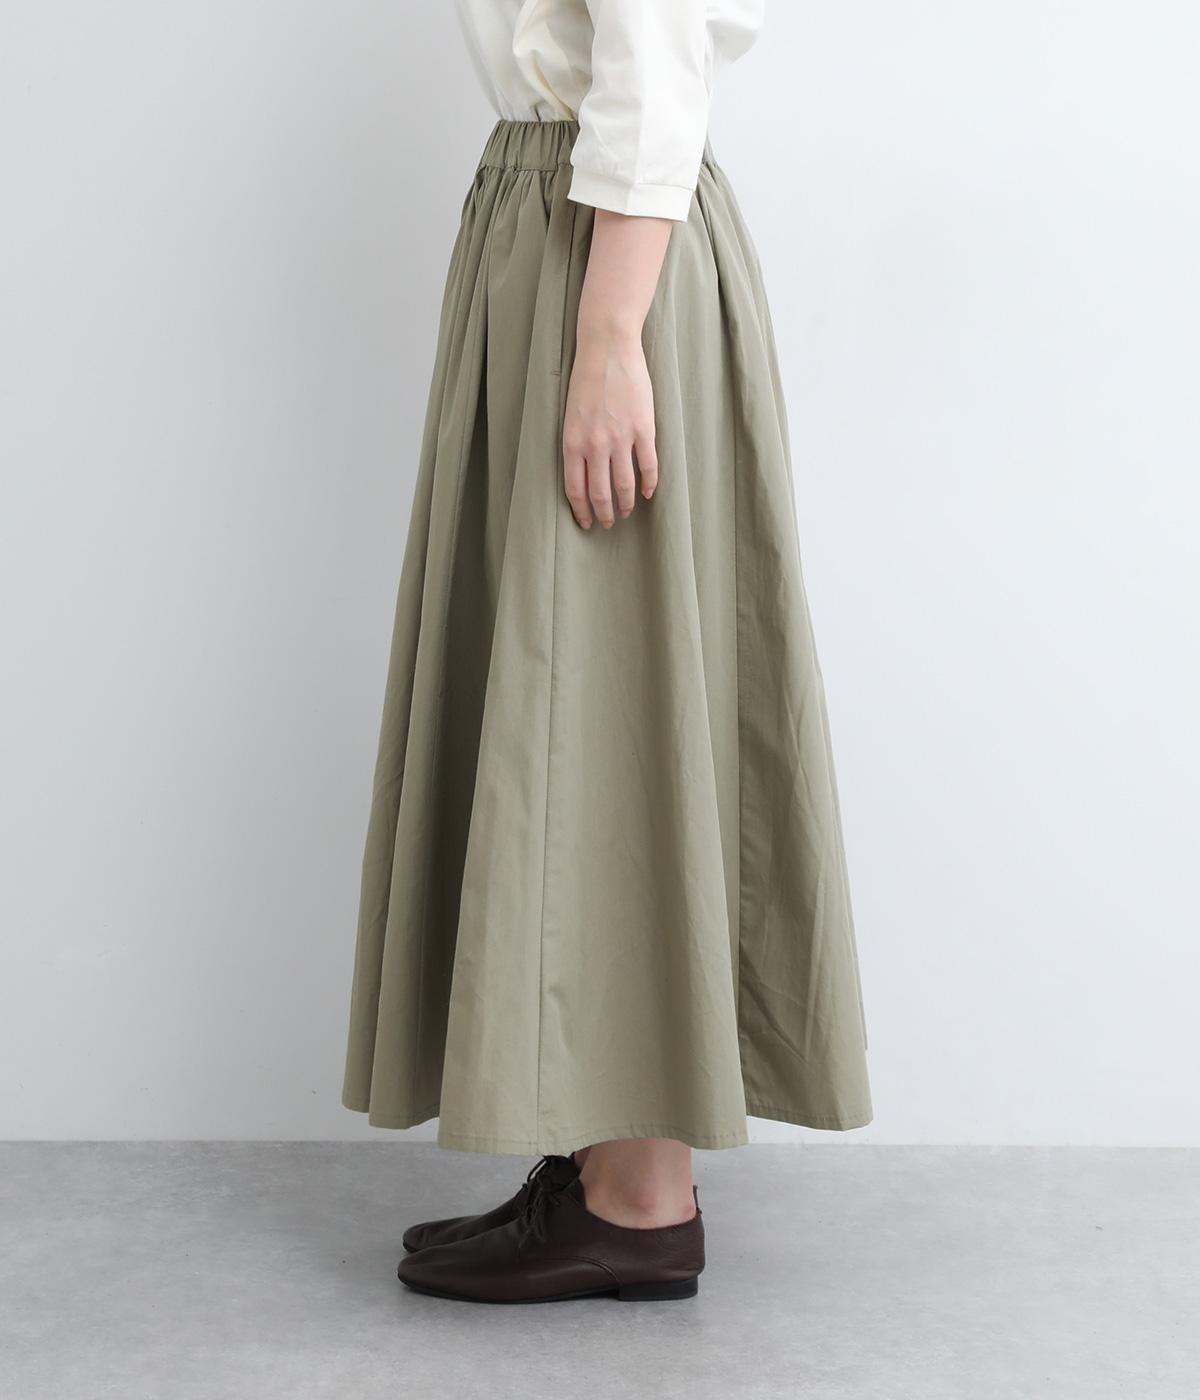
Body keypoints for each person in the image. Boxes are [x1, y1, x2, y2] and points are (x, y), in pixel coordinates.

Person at [342, 0, 872, 1304]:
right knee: (576, 695)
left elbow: (653, 69)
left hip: (608, 251)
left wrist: (607, 335)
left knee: (615, 692)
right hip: (554, 231)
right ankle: (604, 1166)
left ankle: (640, 1197)